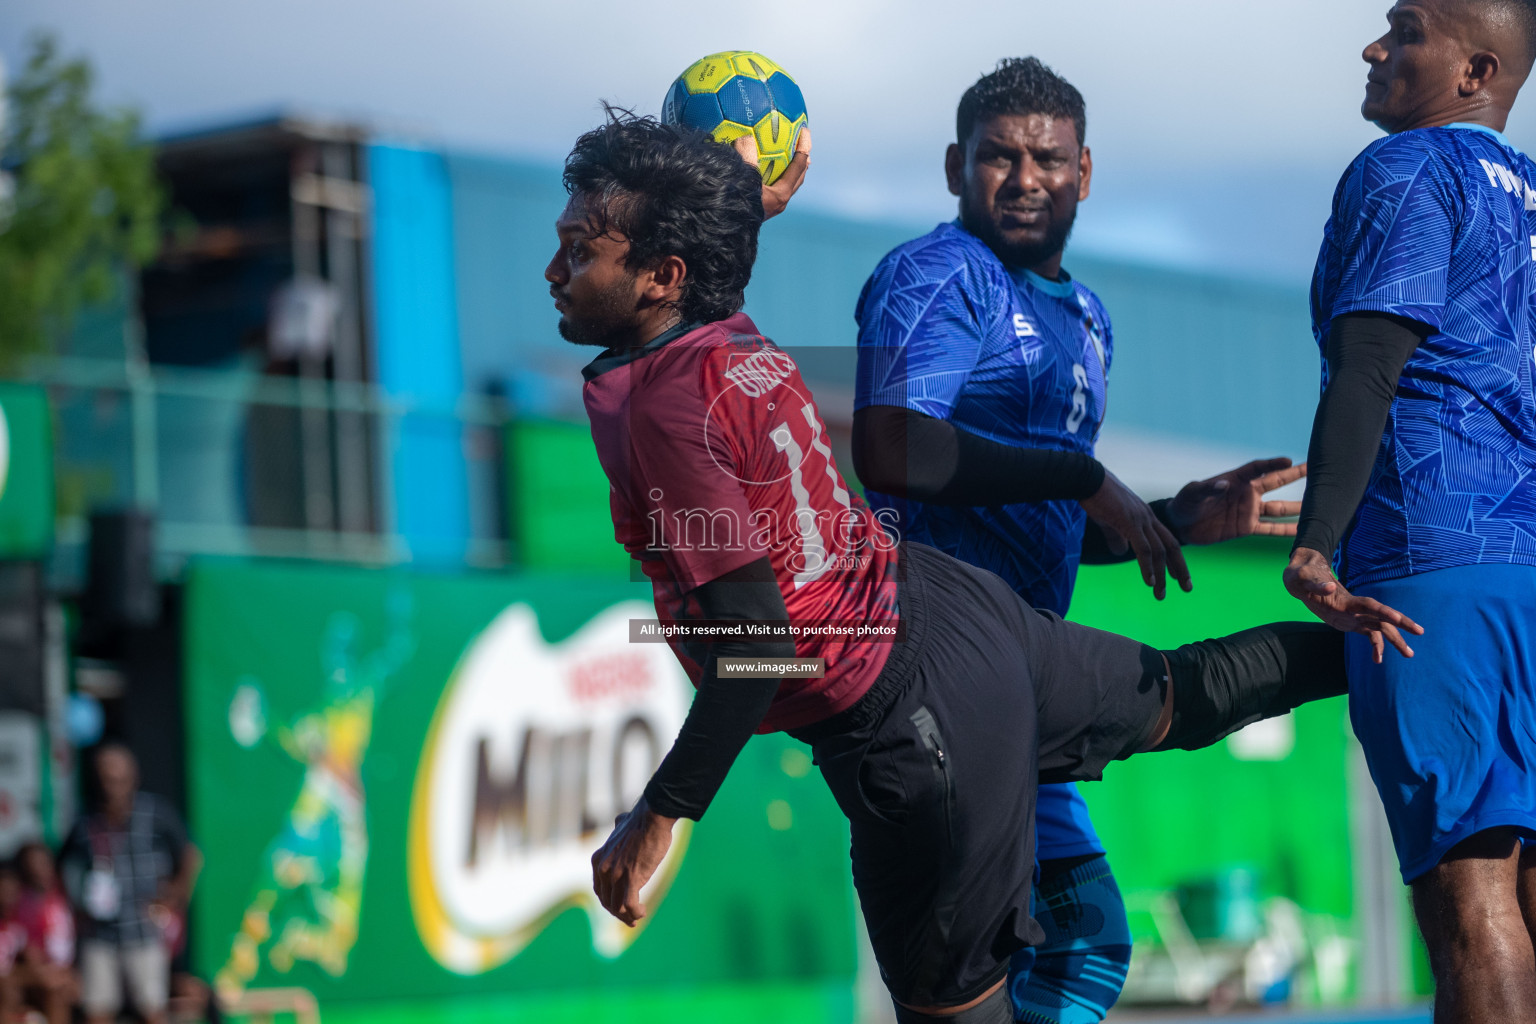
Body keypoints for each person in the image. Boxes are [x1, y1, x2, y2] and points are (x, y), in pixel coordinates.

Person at [554, 112, 1415, 1022]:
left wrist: (661, 812)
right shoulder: (721, 332)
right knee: (1181, 692)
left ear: (662, 276)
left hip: (906, 715)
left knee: (988, 993)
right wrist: (740, 201)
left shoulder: (662, 407)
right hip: (958, 613)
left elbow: (759, 642)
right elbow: (705, 278)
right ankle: (1417, 639)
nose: (553, 270)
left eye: (577, 250)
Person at [852, 57, 1304, 1024]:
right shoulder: (936, 274)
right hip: (933, 673)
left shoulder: (1089, 319)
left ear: (1085, 173)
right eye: (998, 158)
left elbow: (1044, 519)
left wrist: (1168, 519)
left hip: (1021, 677)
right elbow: (892, 447)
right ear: (953, 167)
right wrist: (1086, 478)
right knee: (1012, 965)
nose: (1024, 179)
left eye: (1047, 159)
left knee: (1085, 940)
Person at [1283, 1, 1536, 1020]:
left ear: (1475, 70)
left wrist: (1314, 544)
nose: (1375, 47)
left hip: (1438, 561)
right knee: (1524, 890)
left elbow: (1369, 365)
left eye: (1406, 29)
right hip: (1526, 567)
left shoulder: (1406, 169)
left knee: (1467, 900)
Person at [60, 744, 202, 1024]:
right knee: (98, 1010)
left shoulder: (156, 813)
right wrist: (78, 905)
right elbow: (63, 864)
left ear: (133, 778)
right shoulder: (85, 821)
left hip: (143, 930)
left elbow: (191, 854)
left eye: (118, 779)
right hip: (100, 934)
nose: (111, 787)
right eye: (105, 780)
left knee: (151, 1009)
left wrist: (175, 894)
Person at [15, 842, 77, 1024]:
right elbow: (26, 948)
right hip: (35, 972)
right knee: (56, 994)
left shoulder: (63, 895)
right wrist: (52, 974)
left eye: (43, 863)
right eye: (32, 865)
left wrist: (68, 972)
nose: (39, 870)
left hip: (63, 969)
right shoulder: (22, 903)